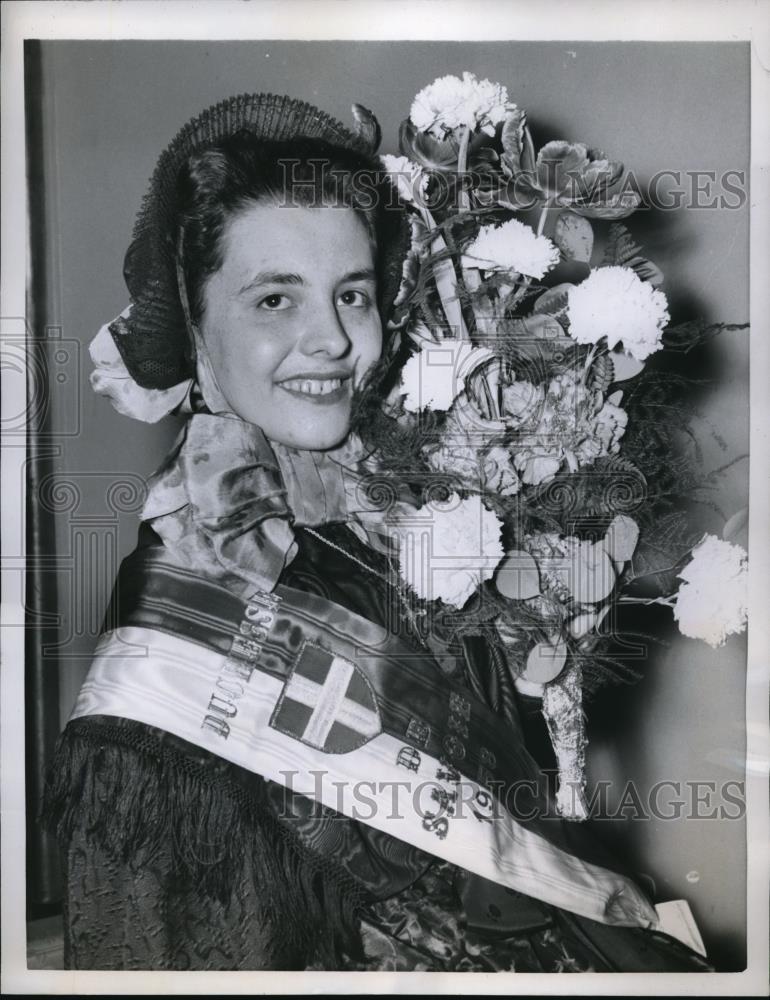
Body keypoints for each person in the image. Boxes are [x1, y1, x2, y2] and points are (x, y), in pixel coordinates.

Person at [43, 92, 713, 973]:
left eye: (350, 293)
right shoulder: (174, 638)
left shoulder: (397, 522)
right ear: (197, 333)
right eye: (274, 298)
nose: (330, 338)